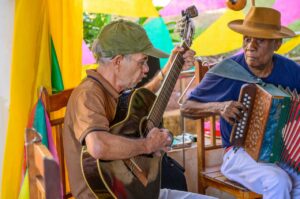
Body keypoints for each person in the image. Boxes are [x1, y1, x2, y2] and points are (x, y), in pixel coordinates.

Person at [63, 19, 215, 199]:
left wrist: (171, 69)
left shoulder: (112, 91)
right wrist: (148, 145)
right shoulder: (89, 94)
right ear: (118, 61)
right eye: (141, 61)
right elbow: (98, 146)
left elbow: (141, 98)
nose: (146, 69)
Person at [181, 6, 300, 199]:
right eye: (246, 38)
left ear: (277, 44)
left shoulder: (291, 70)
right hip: (238, 154)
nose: (250, 46)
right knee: (278, 181)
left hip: (281, 153)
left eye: (259, 40)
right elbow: (186, 107)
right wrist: (219, 106)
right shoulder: (227, 71)